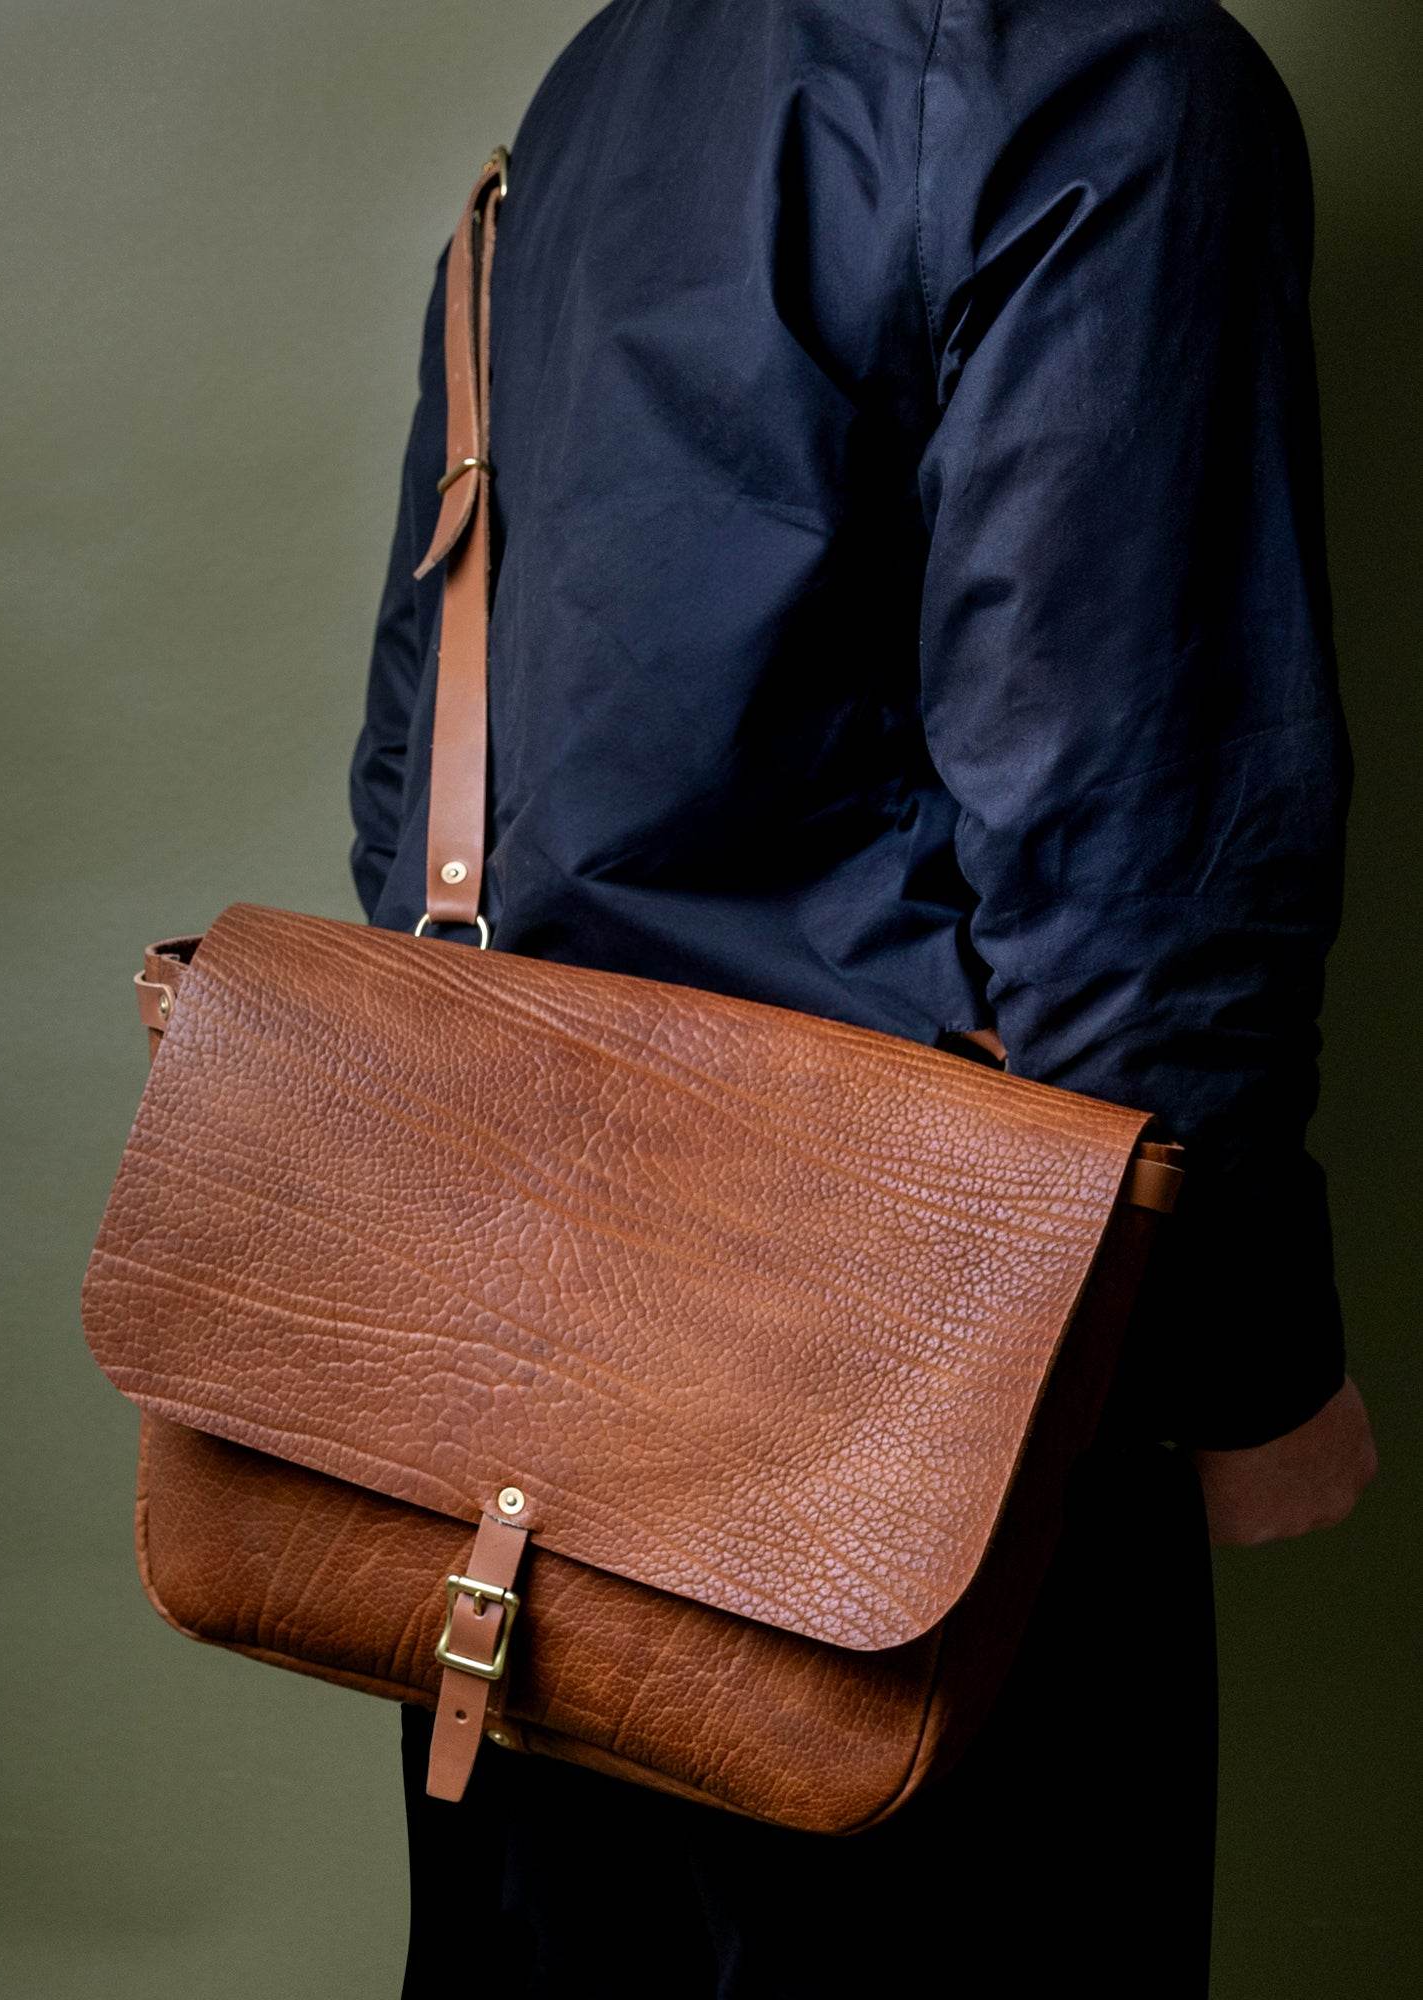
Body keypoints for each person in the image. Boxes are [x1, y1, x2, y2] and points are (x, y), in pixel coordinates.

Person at [347, 2, 1376, 1991]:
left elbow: (413, 790)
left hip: (523, 1419)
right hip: (927, 1401)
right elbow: (1129, 830)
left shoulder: (587, 93)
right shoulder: (1103, 73)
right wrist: (1237, 1363)